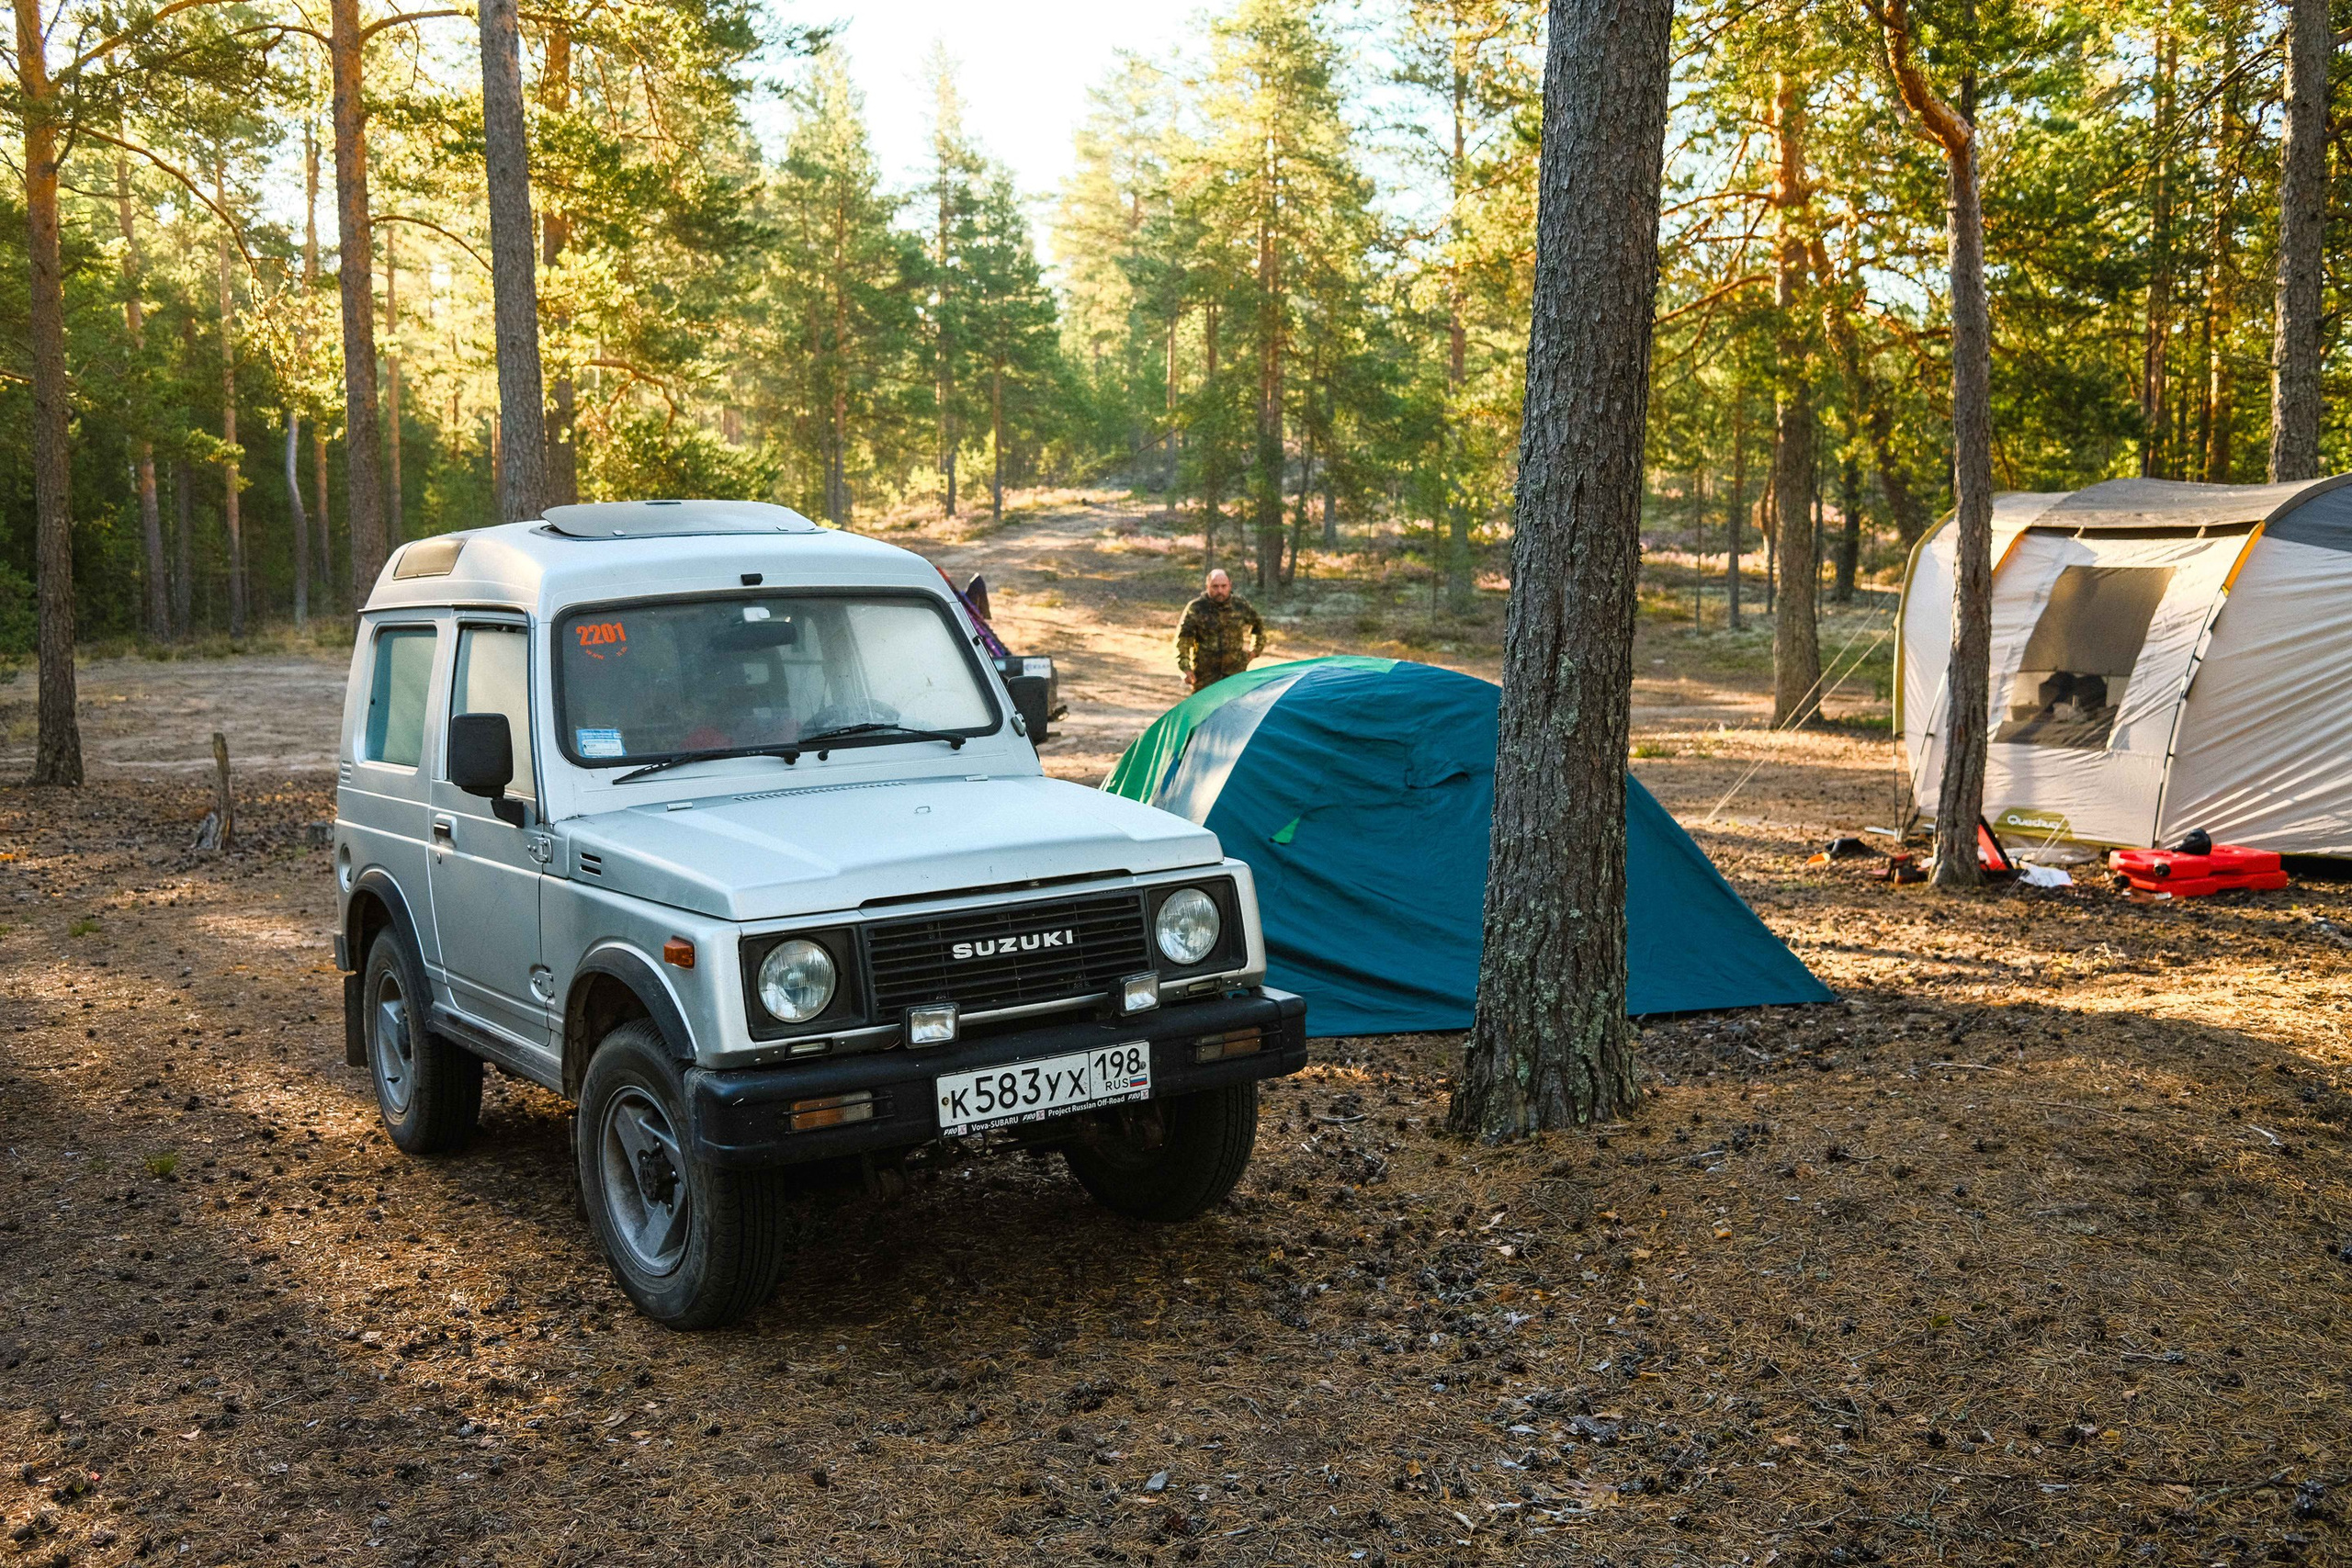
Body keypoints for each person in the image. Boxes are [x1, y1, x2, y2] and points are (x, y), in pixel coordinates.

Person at [1174, 569, 1267, 693]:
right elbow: (1183, 640)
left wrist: (1255, 650)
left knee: (1235, 710)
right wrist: (1185, 668)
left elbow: (1258, 626)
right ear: (1207, 586)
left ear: (1230, 585)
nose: (1220, 591)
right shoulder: (1196, 608)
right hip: (1205, 676)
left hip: (1235, 675)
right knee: (1206, 711)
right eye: (1215, 586)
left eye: (1224, 586)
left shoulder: (1240, 605)